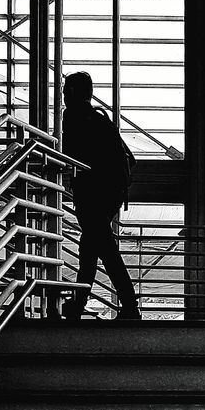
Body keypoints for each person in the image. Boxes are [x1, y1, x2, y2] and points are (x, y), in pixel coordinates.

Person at [61, 72, 140, 320]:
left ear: (73, 92)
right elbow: (130, 158)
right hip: (111, 192)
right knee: (92, 246)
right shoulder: (101, 118)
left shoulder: (74, 116)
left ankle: (127, 306)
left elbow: (71, 154)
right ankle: (82, 303)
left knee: (101, 247)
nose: (63, 94)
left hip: (92, 192)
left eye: (65, 89)